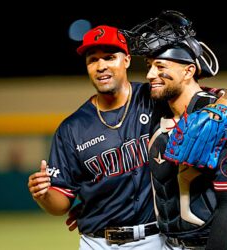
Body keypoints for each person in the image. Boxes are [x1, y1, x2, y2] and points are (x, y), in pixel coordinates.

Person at [128, 10, 227, 250]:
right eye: (149, 66)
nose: (150, 75)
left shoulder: (223, 123)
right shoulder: (156, 114)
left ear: (188, 71)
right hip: (170, 243)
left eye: (160, 66)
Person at [27, 25, 165, 249]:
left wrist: (225, 100)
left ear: (127, 60)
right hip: (98, 242)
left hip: (155, 238)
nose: (101, 66)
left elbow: (204, 96)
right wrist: (43, 195)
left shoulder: (154, 99)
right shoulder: (72, 128)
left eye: (110, 57)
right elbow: (61, 203)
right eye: (93, 60)